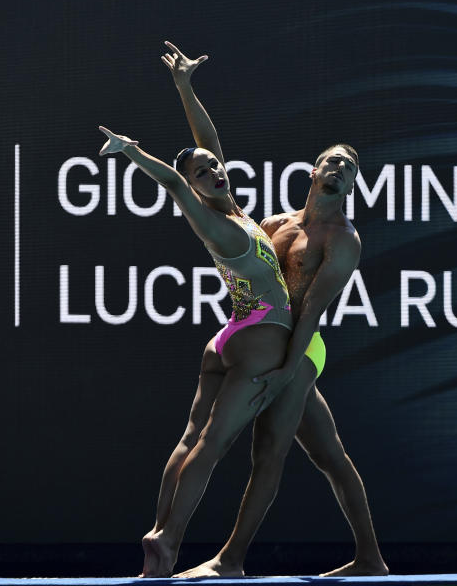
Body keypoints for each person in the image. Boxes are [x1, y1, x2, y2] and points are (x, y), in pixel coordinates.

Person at [150, 42, 388, 578]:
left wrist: (286, 373)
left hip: (302, 347)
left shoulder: (344, 241)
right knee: (330, 453)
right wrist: (186, 88)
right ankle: (371, 559)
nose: (344, 168)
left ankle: (230, 560)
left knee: (269, 452)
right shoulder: (277, 224)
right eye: (336, 160)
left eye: (352, 168)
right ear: (314, 169)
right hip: (272, 341)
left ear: (352, 184)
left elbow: (312, 312)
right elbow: (210, 154)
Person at [96, 124, 297, 578]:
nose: (214, 171)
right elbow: (172, 180)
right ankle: (168, 539)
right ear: (193, 187)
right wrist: (133, 152)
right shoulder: (209, 217)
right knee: (210, 444)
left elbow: (209, 142)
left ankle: (159, 532)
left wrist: (185, 86)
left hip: (229, 335)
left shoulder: (231, 207)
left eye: (215, 166)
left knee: (191, 439)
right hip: (259, 334)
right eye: (202, 173)